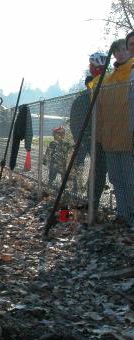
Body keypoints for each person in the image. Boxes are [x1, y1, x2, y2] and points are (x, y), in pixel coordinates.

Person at [96, 39, 134, 227]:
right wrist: (101, 135)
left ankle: (132, 216)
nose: (120, 53)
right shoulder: (108, 79)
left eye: (123, 49)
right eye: (116, 50)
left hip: (128, 137)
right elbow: (100, 109)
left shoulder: (132, 73)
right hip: (110, 139)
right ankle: (122, 214)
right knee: (116, 180)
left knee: (130, 180)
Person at [69, 73, 107, 209]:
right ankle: (90, 198)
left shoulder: (79, 99)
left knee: (79, 164)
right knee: (97, 167)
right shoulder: (94, 97)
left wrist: (76, 137)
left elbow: (73, 121)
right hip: (93, 139)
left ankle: (75, 191)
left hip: (82, 138)